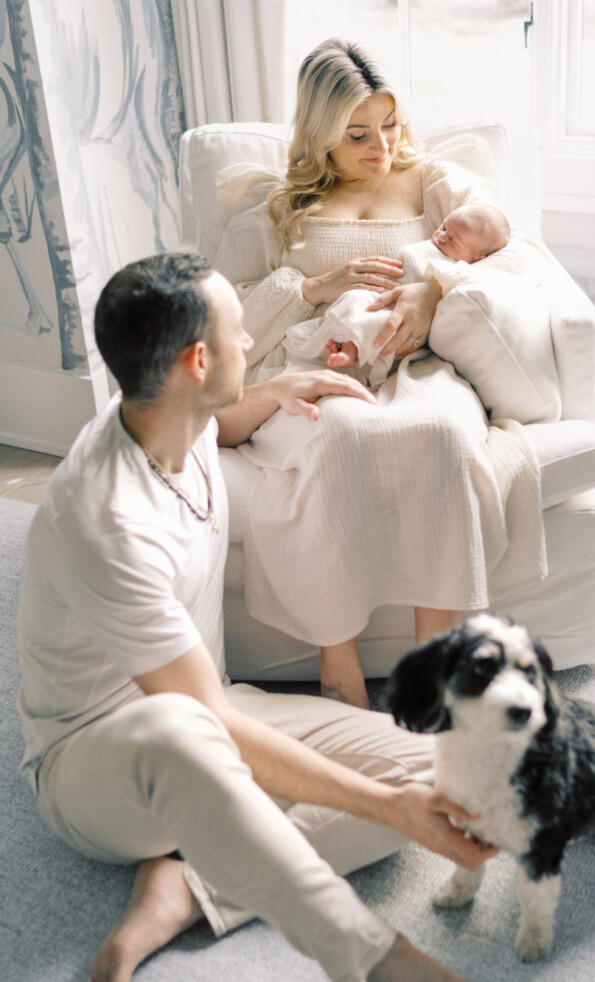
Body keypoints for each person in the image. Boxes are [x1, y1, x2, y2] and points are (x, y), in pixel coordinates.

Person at [16, 252, 496, 982]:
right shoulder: (106, 518)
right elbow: (200, 719)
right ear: (197, 360)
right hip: (98, 759)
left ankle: (192, 885)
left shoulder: (176, 413)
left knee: (438, 770)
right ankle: (376, 959)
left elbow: (225, 422)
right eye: (238, 333)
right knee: (193, 735)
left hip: (214, 706)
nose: (250, 342)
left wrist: (272, 390)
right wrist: (386, 809)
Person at [214, 38, 547, 709]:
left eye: (390, 125)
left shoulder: (434, 183)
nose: (381, 148)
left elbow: (523, 260)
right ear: (321, 137)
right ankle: (340, 667)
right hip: (316, 360)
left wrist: (437, 288)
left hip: (416, 365)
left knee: (445, 435)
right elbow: (226, 317)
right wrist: (308, 286)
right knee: (341, 437)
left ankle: (433, 664)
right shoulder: (278, 204)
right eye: (358, 134)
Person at [282, 201, 516, 385]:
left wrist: (435, 288)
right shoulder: (440, 242)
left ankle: (352, 355)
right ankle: (343, 342)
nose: (442, 236)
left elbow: (516, 264)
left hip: (400, 313)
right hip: (380, 296)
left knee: (383, 323)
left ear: (476, 258)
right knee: (354, 299)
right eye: (443, 227)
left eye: (453, 240)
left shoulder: (459, 270)